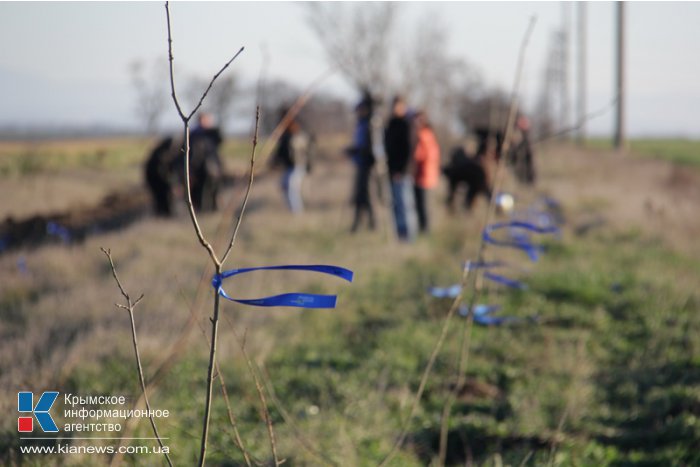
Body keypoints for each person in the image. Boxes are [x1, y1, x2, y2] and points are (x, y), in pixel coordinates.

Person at [384, 95, 416, 241]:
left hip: (403, 172)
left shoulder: (407, 124)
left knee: (405, 204)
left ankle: (408, 235)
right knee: (396, 205)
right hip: (391, 170)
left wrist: (400, 170)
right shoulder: (391, 124)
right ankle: (399, 234)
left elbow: (409, 151)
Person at [346, 91, 376, 232]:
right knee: (360, 195)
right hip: (359, 163)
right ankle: (361, 223)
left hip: (367, 165)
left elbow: (369, 147)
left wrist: (355, 151)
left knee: (365, 195)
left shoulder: (370, 125)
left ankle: (369, 223)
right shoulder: (360, 124)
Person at [272, 110, 311, 214]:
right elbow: (280, 151)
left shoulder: (297, 135)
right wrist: (275, 161)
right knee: (284, 186)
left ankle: (297, 212)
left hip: (297, 165)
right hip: (288, 166)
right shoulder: (284, 136)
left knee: (291, 188)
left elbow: (301, 149)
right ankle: (291, 210)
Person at [186, 112, 224, 212]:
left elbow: (220, 139)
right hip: (199, 169)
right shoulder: (194, 134)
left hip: (213, 167)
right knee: (200, 192)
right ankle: (202, 211)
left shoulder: (211, 133)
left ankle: (213, 210)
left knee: (214, 190)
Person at [412, 110, 441, 233]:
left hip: (424, 174)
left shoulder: (424, 135)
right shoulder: (428, 134)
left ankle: (424, 229)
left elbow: (421, 154)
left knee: (422, 204)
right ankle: (423, 228)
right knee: (420, 204)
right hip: (424, 174)